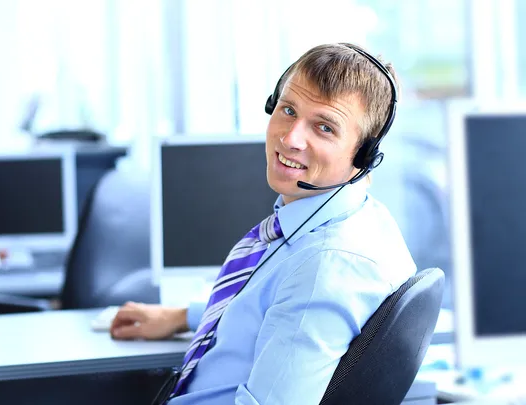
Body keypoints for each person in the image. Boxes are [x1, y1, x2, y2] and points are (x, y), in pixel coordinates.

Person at [110, 43, 416, 405]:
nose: (290, 138)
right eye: (288, 110)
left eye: (324, 127)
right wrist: (184, 316)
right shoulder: (358, 219)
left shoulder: (325, 266)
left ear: (365, 155)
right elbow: (277, 311)